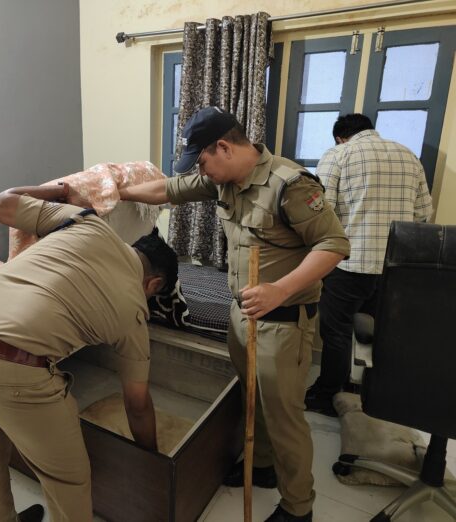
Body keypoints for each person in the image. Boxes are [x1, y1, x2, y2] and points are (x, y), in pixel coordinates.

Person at [119, 106, 350, 522]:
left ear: (223, 147)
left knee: (284, 420)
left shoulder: (289, 184)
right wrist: (115, 193)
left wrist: (280, 289)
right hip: (240, 315)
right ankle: (261, 466)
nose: (201, 171)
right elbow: (167, 190)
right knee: (252, 401)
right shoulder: (222, 181)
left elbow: (334, 244)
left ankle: (298, 507)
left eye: (202, 161)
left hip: (282, 323)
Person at [0, 183, 179, 522]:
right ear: (153, 284)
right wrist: (151, 461)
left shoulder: (87, 222)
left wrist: (61, 189)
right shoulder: (135, 313)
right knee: (69, 480)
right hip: (6, 367)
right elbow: (137, 405)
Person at [304, 114, 433, 416]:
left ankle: (327, 396)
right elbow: (424, 215)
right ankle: (371, 396)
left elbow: (321, 212)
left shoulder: (338, 155)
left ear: (340, 137)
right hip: (394, 267)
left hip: (349, 263)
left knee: (337, 331)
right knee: (380, 333)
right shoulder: (408, 155)